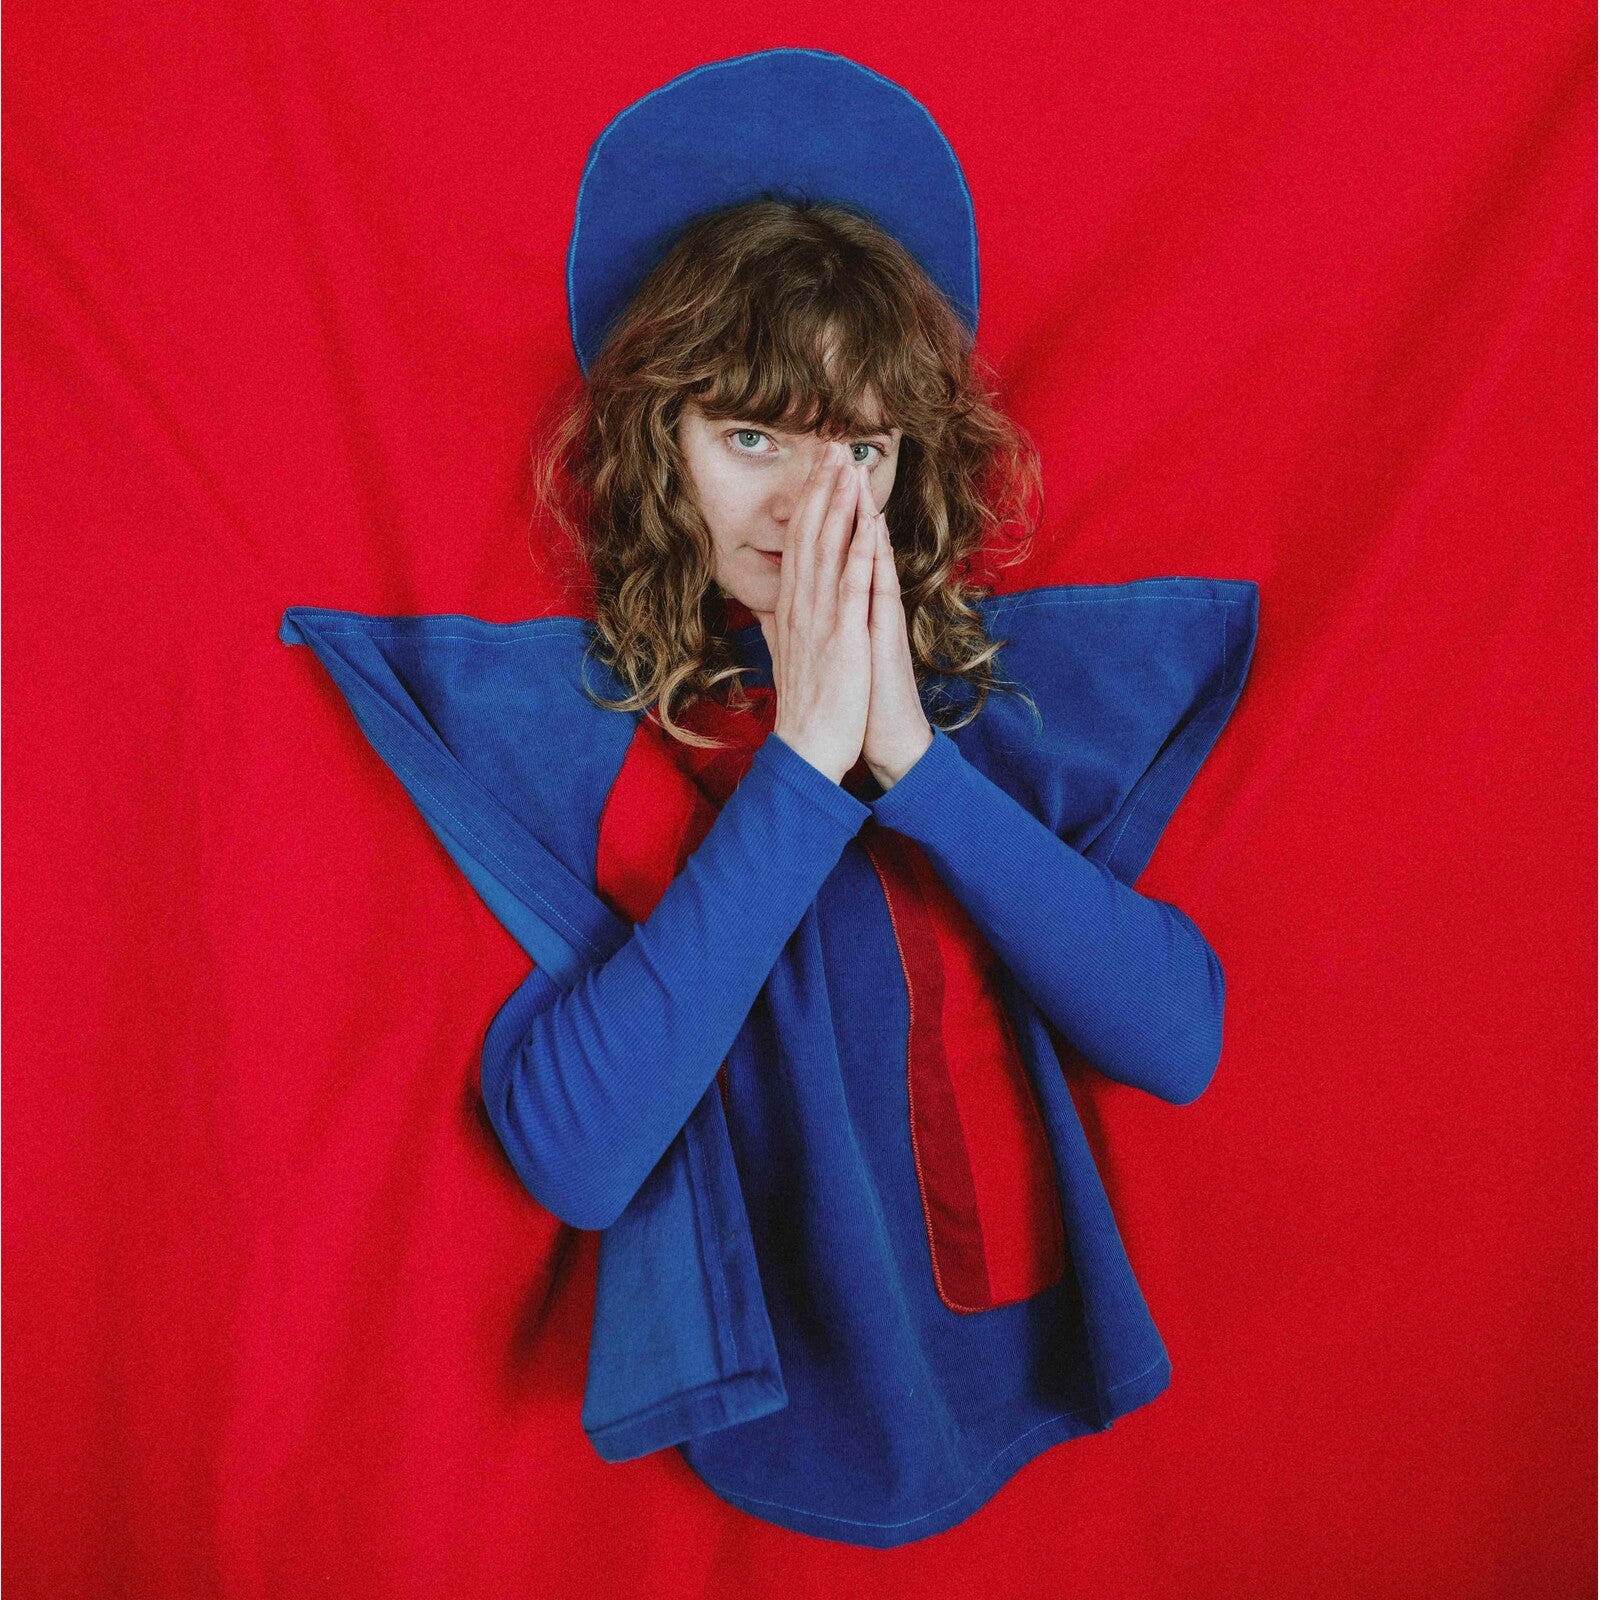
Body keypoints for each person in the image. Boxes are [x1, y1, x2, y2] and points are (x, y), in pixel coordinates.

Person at [280, 49, 1260, 1547]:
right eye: (751, 438)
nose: (811, 507)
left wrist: (910, 764)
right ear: (658, 446)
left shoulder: (987, 707)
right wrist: (800, 768)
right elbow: (576, 1154)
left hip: (1028, 1422)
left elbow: (1179, 1044)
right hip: (731, 1452)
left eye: (857, 445)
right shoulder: (604, 737)